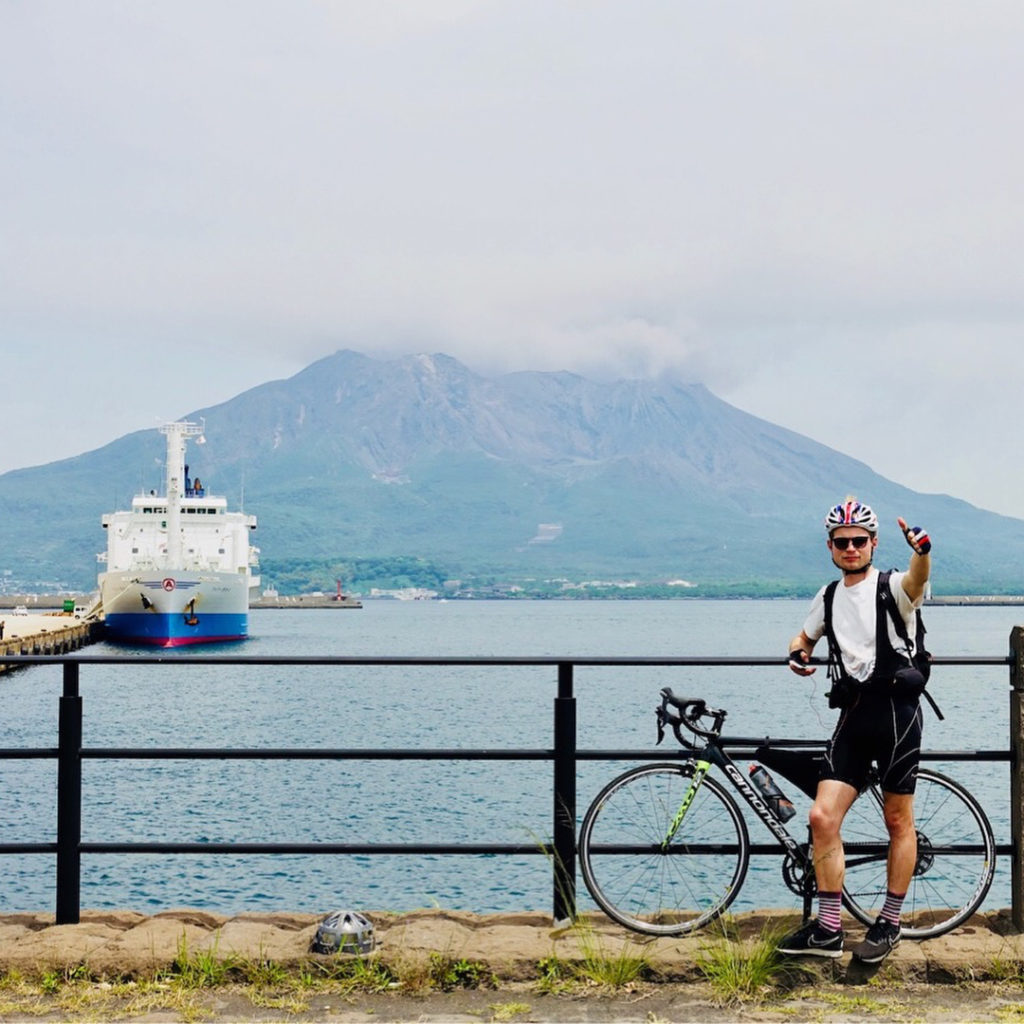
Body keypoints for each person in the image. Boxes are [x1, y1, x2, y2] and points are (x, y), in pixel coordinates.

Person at [777, 497, 932, 964]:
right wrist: (797, 653)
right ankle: (828, 930)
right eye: (842, 542)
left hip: (897, 716)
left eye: (858, 541)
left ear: (873, 543)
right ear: (830, 546)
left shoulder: (894, 588)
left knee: (897, 821)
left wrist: (921, 550)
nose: (850, 548)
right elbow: (804, 636)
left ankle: (889, 922)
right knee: (822, 818)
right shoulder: (827, 596)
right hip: (854, 716)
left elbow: (918, 577)